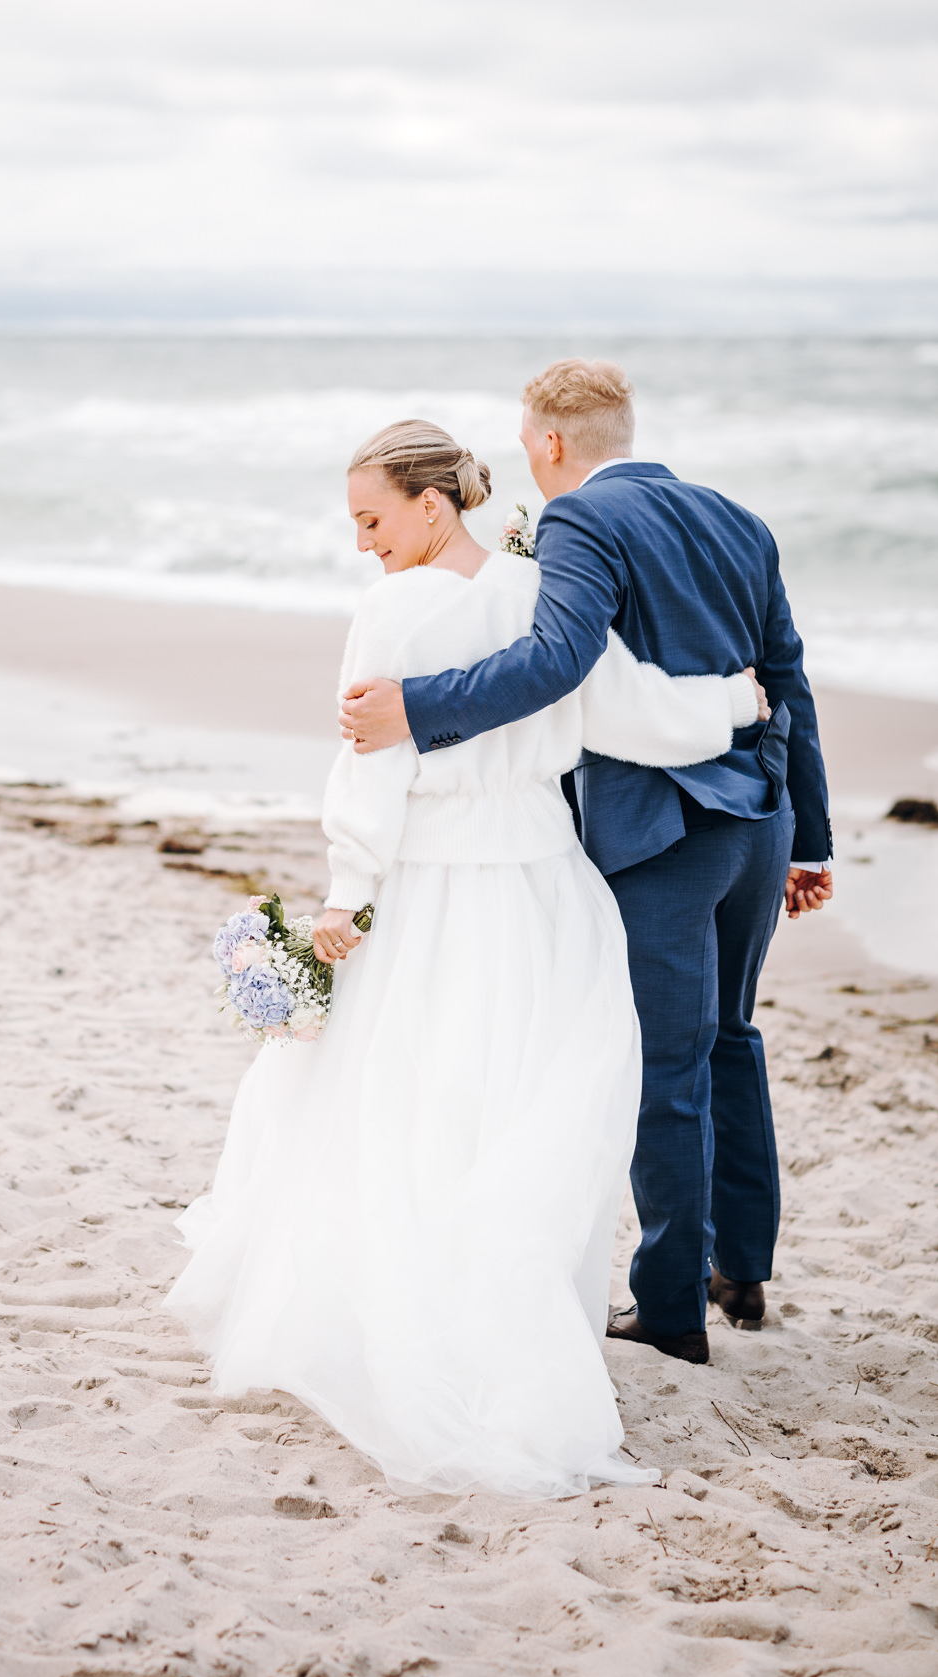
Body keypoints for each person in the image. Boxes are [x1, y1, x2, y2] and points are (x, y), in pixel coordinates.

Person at [168, 420, 766, 1499]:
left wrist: (347, 893)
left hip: (439, 885)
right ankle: (518, 1333)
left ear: (431, 503)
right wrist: (733, 699)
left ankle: (419, 1327)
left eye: (372, 518)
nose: (363, 544)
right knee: (512, 1114)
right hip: (544, 888)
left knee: (406, 1105)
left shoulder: (394, 608)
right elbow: (623, 709)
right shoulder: (542, 591)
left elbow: (368, 760)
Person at [340, 364, 832, 1369]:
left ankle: (670, 1309)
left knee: (667, 1059)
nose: (525, 457)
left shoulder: (577, 524)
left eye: (526, 442)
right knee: (731, 1036)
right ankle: (741, 1267)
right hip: (762, 819)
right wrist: (811, 833)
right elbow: (786, 679)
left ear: (552, 444)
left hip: (668, 829)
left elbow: (560, 662)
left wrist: (416, 706)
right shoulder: (739, 517)